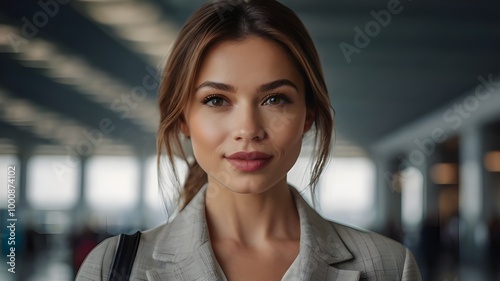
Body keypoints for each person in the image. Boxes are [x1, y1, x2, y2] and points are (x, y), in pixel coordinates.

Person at [76, 0, 422, 280]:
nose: (248, 129)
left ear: (309, 114)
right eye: (216, 100)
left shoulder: (388, 267)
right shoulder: (114, 267)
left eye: (275, 99)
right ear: (183, 118)